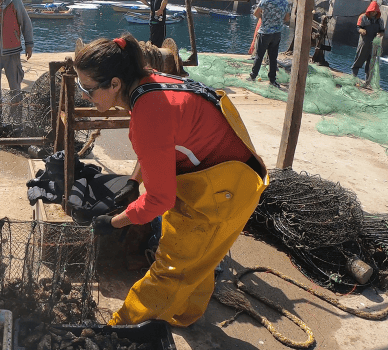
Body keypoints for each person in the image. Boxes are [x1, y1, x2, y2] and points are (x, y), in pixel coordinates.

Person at [75, 34, 268, 327]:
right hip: (232, 175)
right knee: (199, 261)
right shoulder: (149, 82)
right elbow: (165, 143)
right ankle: (181, 316)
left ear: (114, 84)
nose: (83, 95)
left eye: (87, 88)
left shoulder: (149, 114)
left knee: (172, 269)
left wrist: (114, 223)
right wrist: (133, 181)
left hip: (223, 191)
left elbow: (160, 200)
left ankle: (121, 328)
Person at [248, 0, 290, 88]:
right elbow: (287, 19)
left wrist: (263, 18)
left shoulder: (265, 1)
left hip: (264, 33)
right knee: (273, 58)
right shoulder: (285, 3)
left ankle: (253, 75)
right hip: (276, 34)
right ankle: (272, 79)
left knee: (259, 55)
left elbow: (256, 13)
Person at [351, 1, 384, 84]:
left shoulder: (380, 20)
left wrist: (380, 34)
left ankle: (367, 81)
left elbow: (382, 31)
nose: (374, 13)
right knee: (359, 59)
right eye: (372, 11)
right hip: (364, 42)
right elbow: (358, 27)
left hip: (374, 44)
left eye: (375, 11)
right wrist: (361, 30)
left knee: (371, 62)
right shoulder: (363, 17)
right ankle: (353, 76)